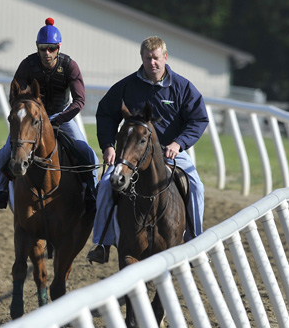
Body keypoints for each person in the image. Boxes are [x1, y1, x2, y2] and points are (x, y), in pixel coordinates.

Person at [86, 36, 208, 263]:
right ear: (141, 58)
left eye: (156, 58)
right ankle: (102, 243)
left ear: (165, 57)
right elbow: (105, 113)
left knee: (196, 187)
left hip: (171, 154)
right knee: (105, 185)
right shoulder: (126, 86)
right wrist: (108, 147)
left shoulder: (182, 87)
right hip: (131, 155)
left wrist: (178, 143)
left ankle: (195, 242)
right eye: (147, 58)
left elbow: (198, 119)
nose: (152, 62)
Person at [0, 17, 98, 212]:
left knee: (87, 152)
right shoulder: (27, 64)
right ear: (37, 47)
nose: (47, 53)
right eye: (42, 48)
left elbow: (79, 101)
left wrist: (58, 119)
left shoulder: (69, 66)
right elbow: (15, 97)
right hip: (32, 119)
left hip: (60, 116)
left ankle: (92, 191)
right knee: (5, 153)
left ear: (59, 47)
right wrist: (29, 117)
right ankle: (1, 191)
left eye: (51, 48)